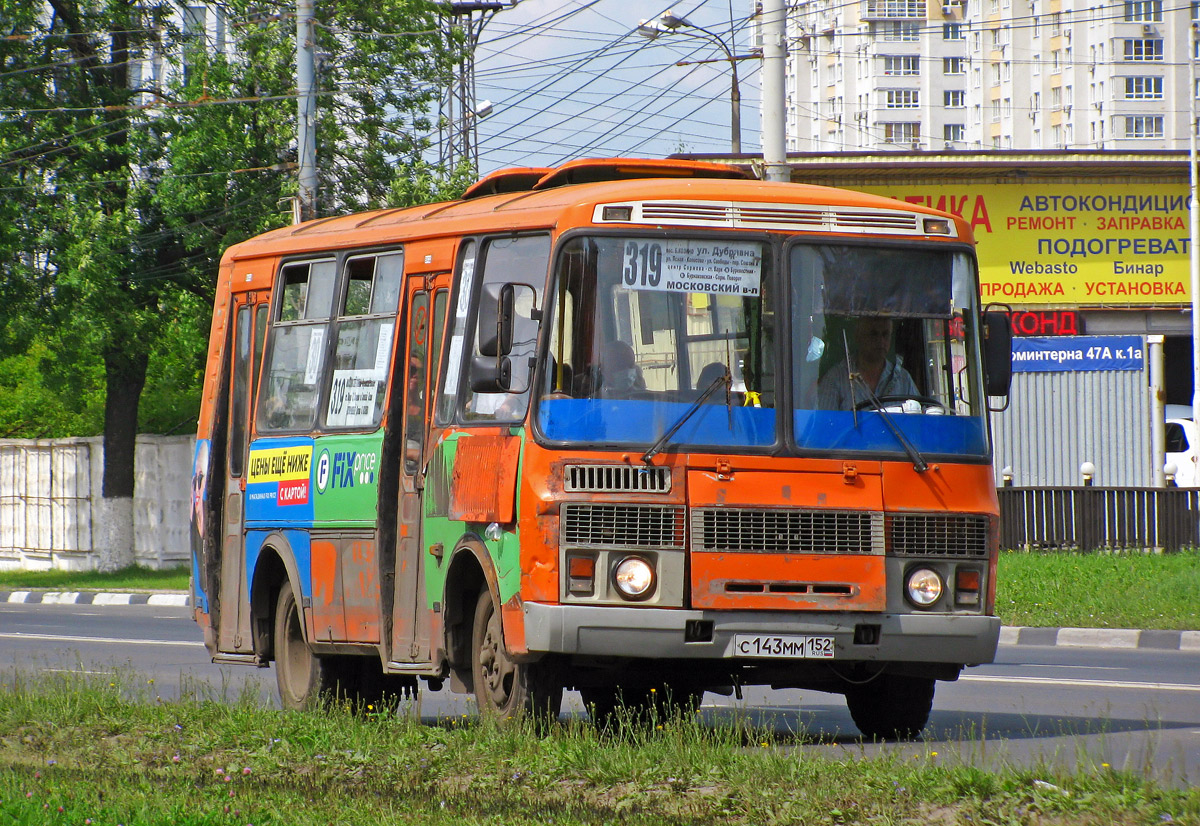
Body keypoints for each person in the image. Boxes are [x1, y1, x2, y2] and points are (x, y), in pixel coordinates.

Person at [817, 316, 918, 410]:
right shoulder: (836, 379)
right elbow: (825, 424)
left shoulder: (903, 379)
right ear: (858, 336)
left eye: (885, 334)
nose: (881, 341)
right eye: (873, 334)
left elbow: (919, 421)